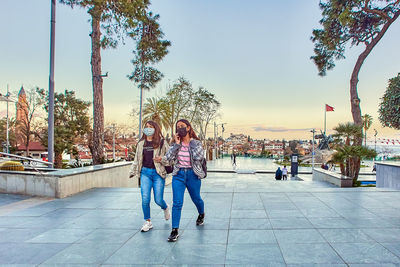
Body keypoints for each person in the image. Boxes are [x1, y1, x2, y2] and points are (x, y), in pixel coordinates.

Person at [161, 119, 206, 242]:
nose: (180, 128)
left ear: (188, 128)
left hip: (193, 174)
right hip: (179, 175)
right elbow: (168, 158)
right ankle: (174, 230)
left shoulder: (196, 143)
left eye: (182, 126)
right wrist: (177, 144)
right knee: (177, 202)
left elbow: (199, 157)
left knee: (196, 198)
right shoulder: (175, 144)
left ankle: (201, 213)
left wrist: (187, 143)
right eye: (178, 127)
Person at [129, 121, 171, 232]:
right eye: (146, 127)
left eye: (151, 127)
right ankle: (147, 222)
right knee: (145, 199)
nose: (148, 129)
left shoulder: (162, 142)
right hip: (145, 173)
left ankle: (165, 207)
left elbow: (170, 158)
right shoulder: (141, 143)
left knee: (158, 199)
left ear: (155, 129)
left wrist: (161, 159)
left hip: (158, 173)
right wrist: (133, 171)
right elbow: (136, 160)